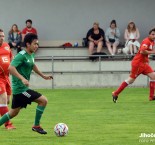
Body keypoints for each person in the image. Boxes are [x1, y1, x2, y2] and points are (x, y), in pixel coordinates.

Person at [0, 33, 53, 134]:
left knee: (13, 113)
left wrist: (43, 76)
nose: (36, 46)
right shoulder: (21, 55)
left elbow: (32, 65)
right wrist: (22, 79)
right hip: (21, 90)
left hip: (20, 90)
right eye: (35, 44)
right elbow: (10, 68)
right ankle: (36, 126)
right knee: (43, 101)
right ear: (28, 44)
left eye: (37, 44)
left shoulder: (31, 54)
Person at [112, 28, 155, 103]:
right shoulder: (146, 41)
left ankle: (151, 97)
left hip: (144, 64)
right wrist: (152, 52)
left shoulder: (152, 42)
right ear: (149, 34)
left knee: (153, 76)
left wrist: (147, 59)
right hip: (138, 63)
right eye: (152, 34)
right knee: (131, 80)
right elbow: (142, 51)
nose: (154, 36)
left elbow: (145, 53)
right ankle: (115, 93)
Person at [0, 29, 15, 129]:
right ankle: (8, 124)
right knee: (3, 99)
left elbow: (11, 57)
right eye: (0, 36)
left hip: (7, 77)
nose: (1, 38)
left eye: (2, 36)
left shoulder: (6, 46)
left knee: (7, 101)